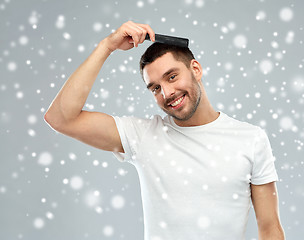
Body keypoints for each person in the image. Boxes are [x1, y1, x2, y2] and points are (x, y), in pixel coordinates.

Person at [44, 20, 285, 240]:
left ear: (196, 69)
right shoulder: (142, 135)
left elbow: (270, 228)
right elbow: (61, 118)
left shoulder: (250, 139)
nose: (167, 93)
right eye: (155, 88)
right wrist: (107, 46)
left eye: (172, 77)